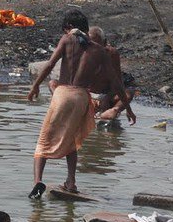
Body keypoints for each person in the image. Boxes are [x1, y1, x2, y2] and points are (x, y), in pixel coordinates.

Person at [28, 10, 136, 197]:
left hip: (63, 93)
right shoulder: (99, 50)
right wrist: (128, 109)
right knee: (73, 140)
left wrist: (35, 86)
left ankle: (38, 181)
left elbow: (50, 65)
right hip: (82, 97)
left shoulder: (67, 40)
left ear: (69, 28)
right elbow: (117, 83)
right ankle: (71, 182)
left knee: (43, 141)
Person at [87, 27, 136, 122]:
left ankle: (113, 110)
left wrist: (107, 98)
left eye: (97, 45)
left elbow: (118, 82)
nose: (94, 48)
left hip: (106, 96)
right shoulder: (83, 53)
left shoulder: (112, 54)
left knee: (129, 93)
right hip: (87, 96)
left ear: (104, 43)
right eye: (91, 44)